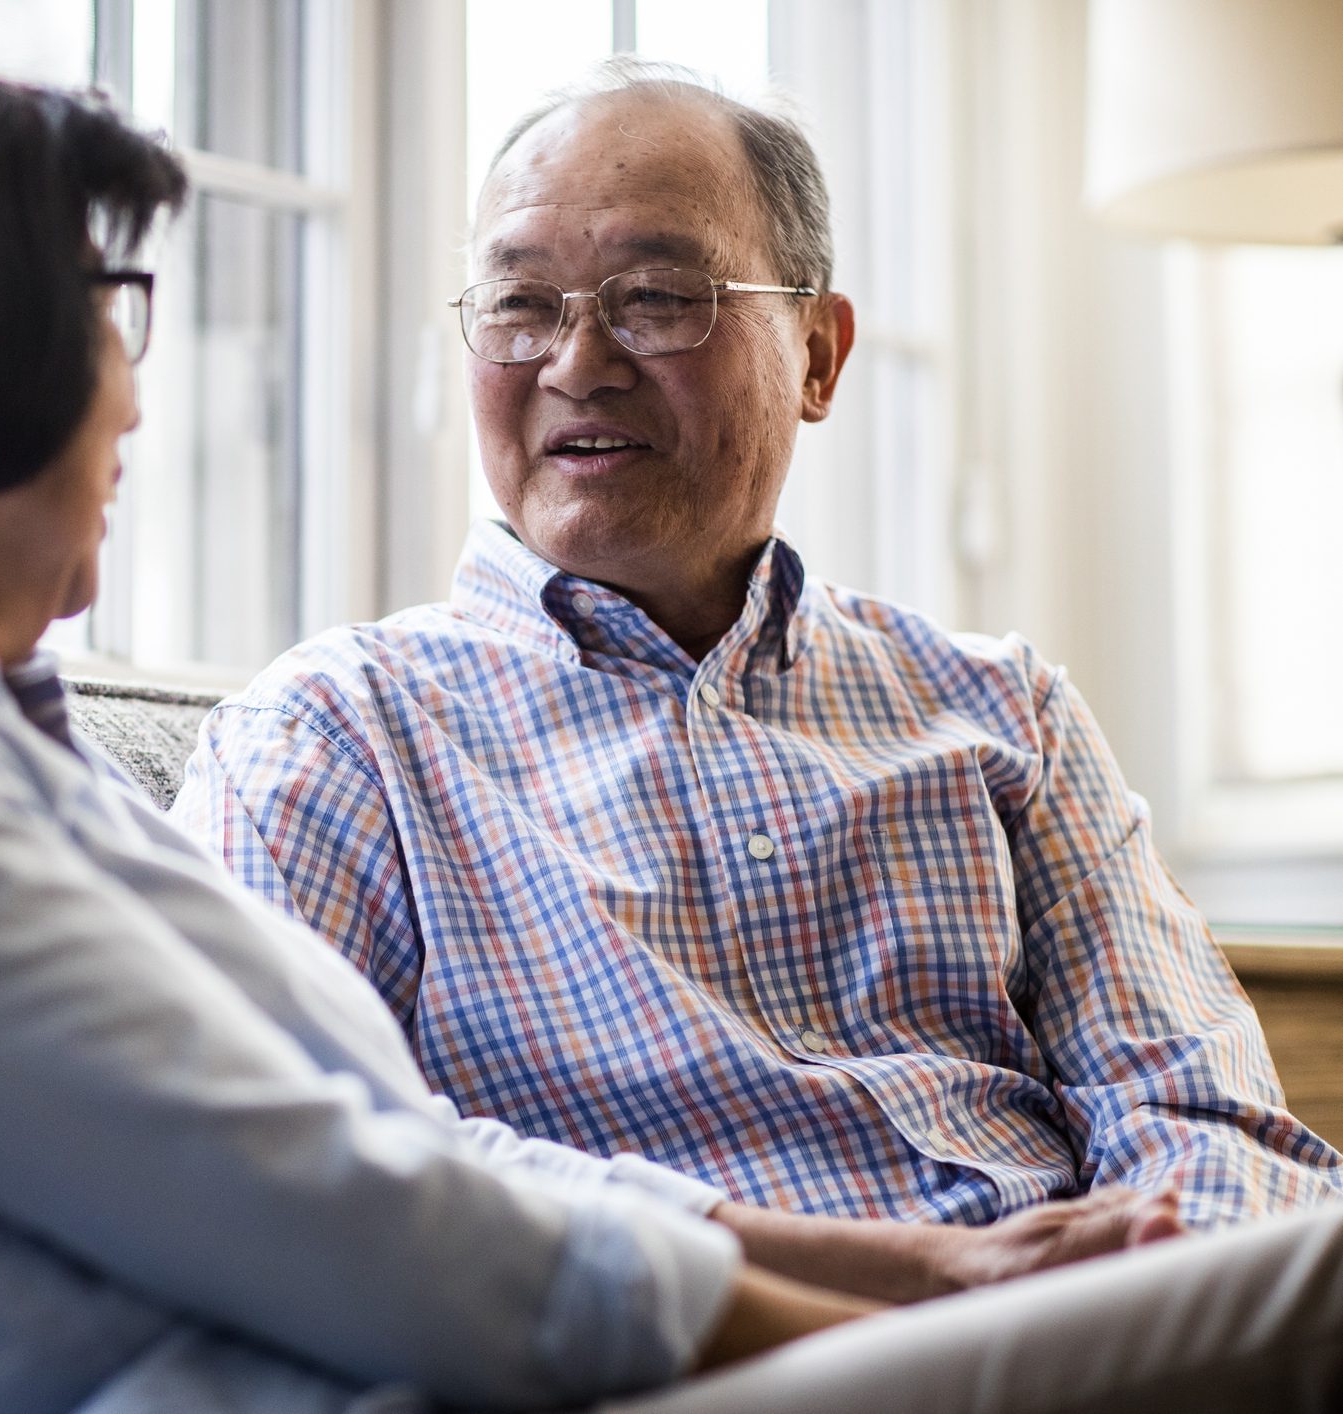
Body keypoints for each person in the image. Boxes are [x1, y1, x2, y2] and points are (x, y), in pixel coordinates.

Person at [0, 36, 1343, 1414]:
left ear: (817, 350)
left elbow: (385, 1159)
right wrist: (962, 1312)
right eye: (100, 306)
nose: (135, 389)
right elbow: (364, 1212)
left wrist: (950, 1273)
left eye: (654, 297)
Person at [172, 60, 1343, 1253]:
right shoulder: (336, 734)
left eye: (657, 296)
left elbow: (1206, 1114)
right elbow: (291, 1146)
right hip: (685, 1347)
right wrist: (892, 1282)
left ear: (820, 357)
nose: (577, 363)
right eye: (520, 304)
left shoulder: (1004, 710)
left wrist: (1149, 1309)